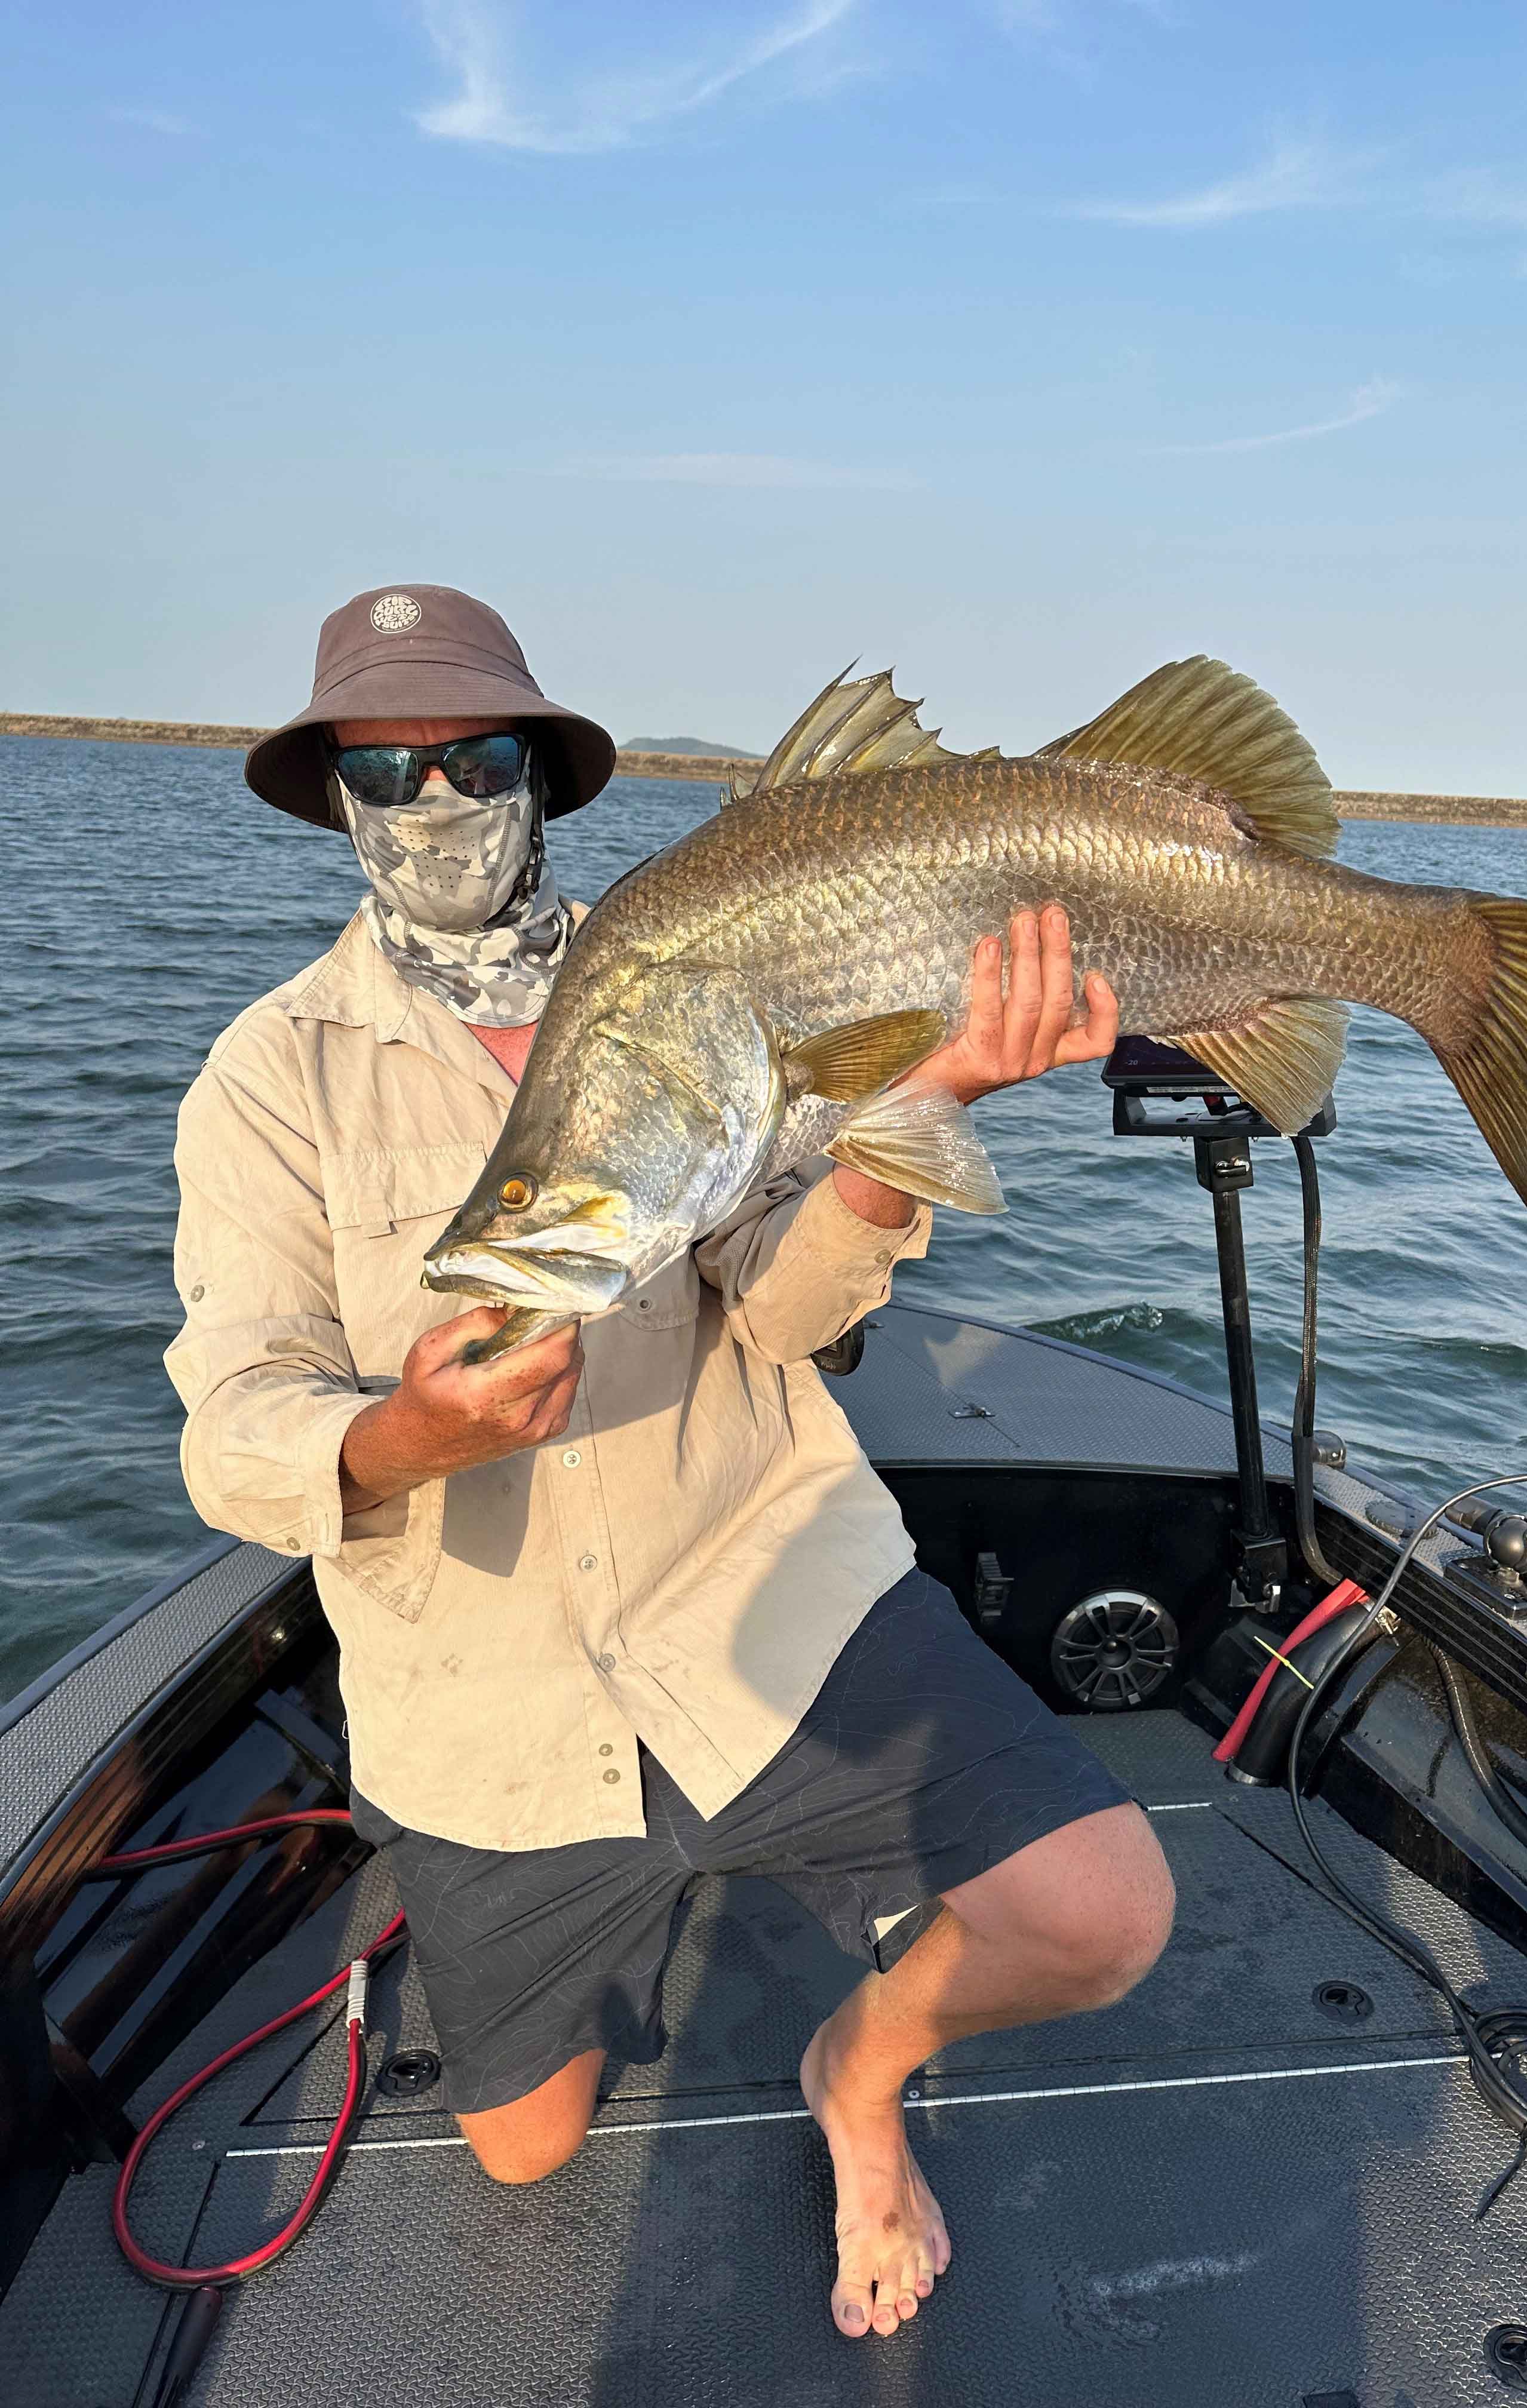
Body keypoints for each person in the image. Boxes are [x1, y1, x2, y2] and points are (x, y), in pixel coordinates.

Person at [165, 585, 1175, 2342]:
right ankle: (603, 1922)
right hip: (487, 1711)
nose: (429, 802)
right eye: (380, 770)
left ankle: (856, 2071)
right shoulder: (264, 1079)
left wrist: (913, 1122)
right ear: (332, 798)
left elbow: (781, 1324)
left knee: (1100, 1908)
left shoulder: (697, 960)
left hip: (762, 1602)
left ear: (537, 776)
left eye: (470, 758)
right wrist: (404, 1431)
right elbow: (235, 1424)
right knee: (519, 2156)